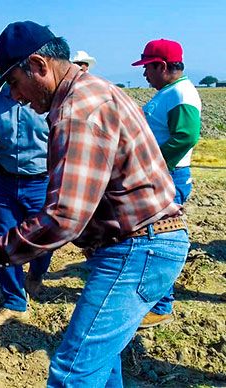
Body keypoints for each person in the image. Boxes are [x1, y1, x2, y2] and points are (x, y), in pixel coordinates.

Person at [0, 21, 189, 386]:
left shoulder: (78, 110)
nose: (19, 97)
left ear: (40, 66)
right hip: (144, 244)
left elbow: (63, 218)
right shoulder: (95, 90)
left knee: (72, 372)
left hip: (139, 248)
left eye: (15, 83)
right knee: (101, 368)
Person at [0, 83, 52, 325]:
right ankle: (15, 302)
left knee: (43, 240)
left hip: (40, 182)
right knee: (4, 239)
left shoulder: (45, 100)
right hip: (4, 182)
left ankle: (36, 274)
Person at [132, 38, 201, 328]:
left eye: (148, 68)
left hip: (169, 177)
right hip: (163, 175)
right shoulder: (170, 92)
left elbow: (186, 136)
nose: (144, 74)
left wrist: (155, 165)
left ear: (161, 66)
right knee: (152, 234)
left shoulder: (181, 94)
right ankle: (154, 299)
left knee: (160, 236)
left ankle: (161, 306)